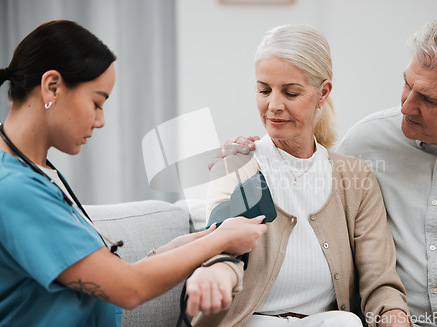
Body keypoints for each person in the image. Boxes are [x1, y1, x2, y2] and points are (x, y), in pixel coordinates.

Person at [224, 15, 437, 327]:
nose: (407, 107)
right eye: (407, 84)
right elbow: (304, 169)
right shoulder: (369, 142)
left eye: (428, 99)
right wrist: (245, 160)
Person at [0, 20, 267, 327]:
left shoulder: (35, 171)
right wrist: (220, 239)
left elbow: (98, 279)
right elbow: (128, 289)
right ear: (52, 86)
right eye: (96, 103)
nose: (100, 121)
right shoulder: (14, 188)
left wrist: (185, 245)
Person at [185, 24, 410, 327]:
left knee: (346, 323)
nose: (274, 106)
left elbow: (380, 281)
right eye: (264, 90)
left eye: (291, 92)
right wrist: (216, 274)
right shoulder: (236, 163)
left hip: (325, 323)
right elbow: (223, 252)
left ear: (323, 93)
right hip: (251, 322)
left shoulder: (356, 178)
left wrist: (393, 316)